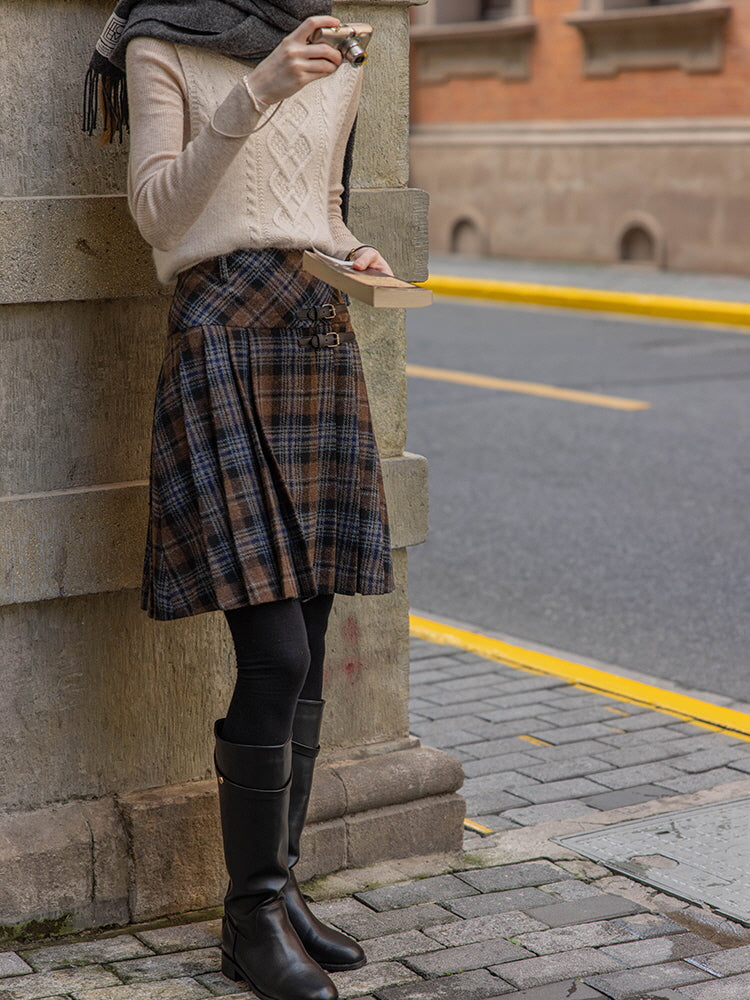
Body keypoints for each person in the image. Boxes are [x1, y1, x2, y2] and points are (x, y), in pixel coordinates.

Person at [84, 3, 395, 998]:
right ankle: (248, 915)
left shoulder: (340, 48)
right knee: (277, 651)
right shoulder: (159, 39)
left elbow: (315, 206)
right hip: (220, 330)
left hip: (314, 326)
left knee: (314, 632)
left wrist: (352, 249)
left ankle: (282, 888)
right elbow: (159, 215)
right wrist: (258, 88)